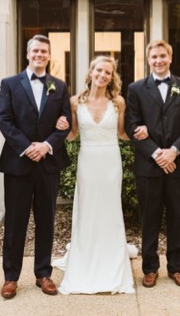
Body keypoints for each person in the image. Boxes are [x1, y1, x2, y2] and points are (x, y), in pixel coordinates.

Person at [0, 34, 73, 299]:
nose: (40, 55)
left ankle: (43, 273)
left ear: (49, 56)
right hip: (18, 162)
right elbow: (4, 119)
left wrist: (46, 146)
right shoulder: (9, 84)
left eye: (44, 51)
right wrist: (27, 146)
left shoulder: (60, 86)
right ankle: (10, 277)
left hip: (48, 163)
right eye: (35, 51)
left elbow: (66, 122)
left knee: (46, 220)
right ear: (27, 54)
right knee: (16, 222)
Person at [52, 56, 136, 294]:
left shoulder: (118, 101)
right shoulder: (75, 102)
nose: (102, 75)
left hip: (110, 161)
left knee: (109, 207)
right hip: (88, 161)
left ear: (112, 77)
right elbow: (72, 135)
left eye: (107, 72)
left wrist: (145, 132)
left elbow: (122, 134)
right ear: (90, 72)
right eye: (99, 70)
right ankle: (86, 254)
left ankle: (111, 255)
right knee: (88, 208)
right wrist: (59, 125)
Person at [125, 40, 180, 288]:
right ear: (148, 60)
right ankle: (150, 268)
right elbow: (132, 125)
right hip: (148, 166)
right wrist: (159, 153)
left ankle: (176, 268)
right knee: (149, 218)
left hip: (179, 165)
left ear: (170, 57)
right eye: (153, 57)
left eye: (162, 56)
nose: (158, 60)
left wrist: (175, 151)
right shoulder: (136, 89)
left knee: (179, 217)